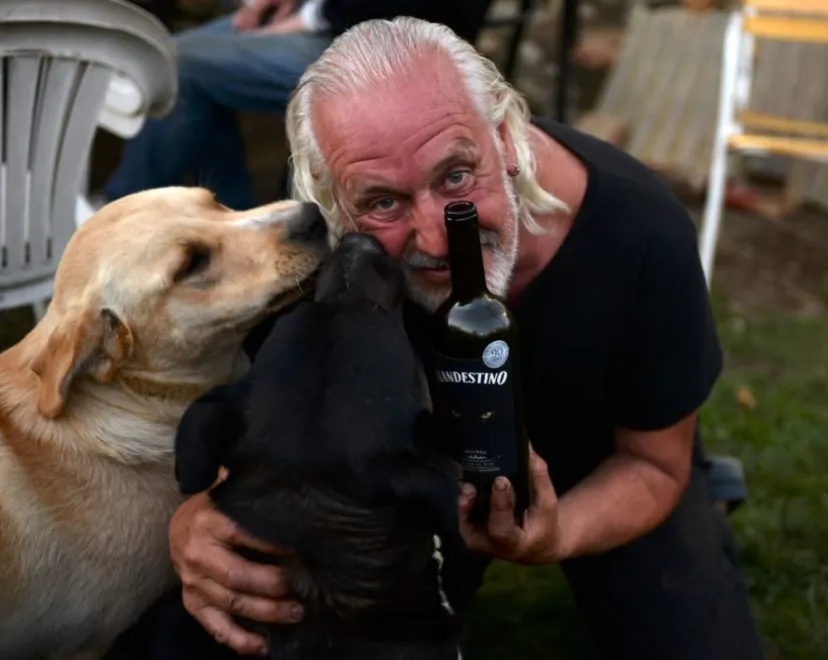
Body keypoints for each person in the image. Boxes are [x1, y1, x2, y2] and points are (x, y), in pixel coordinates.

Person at [167, 16, 765, 660]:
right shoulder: (321, 268)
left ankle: (709, 491)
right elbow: (270, 436)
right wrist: (190, 522)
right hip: (421, 476)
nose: (432, 237)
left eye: (455, 177)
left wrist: (560, 534)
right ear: (332, 198)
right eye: (384, 203)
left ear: (506, 137)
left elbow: (654, 462)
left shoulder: (641, 233)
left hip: (605, 459)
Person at [98, 0, 493, 211]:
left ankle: (118, 208)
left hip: (385, 36)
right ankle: (230, 217)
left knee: (177, 67)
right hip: (330, 13)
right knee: (171, 56)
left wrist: (308, 16)